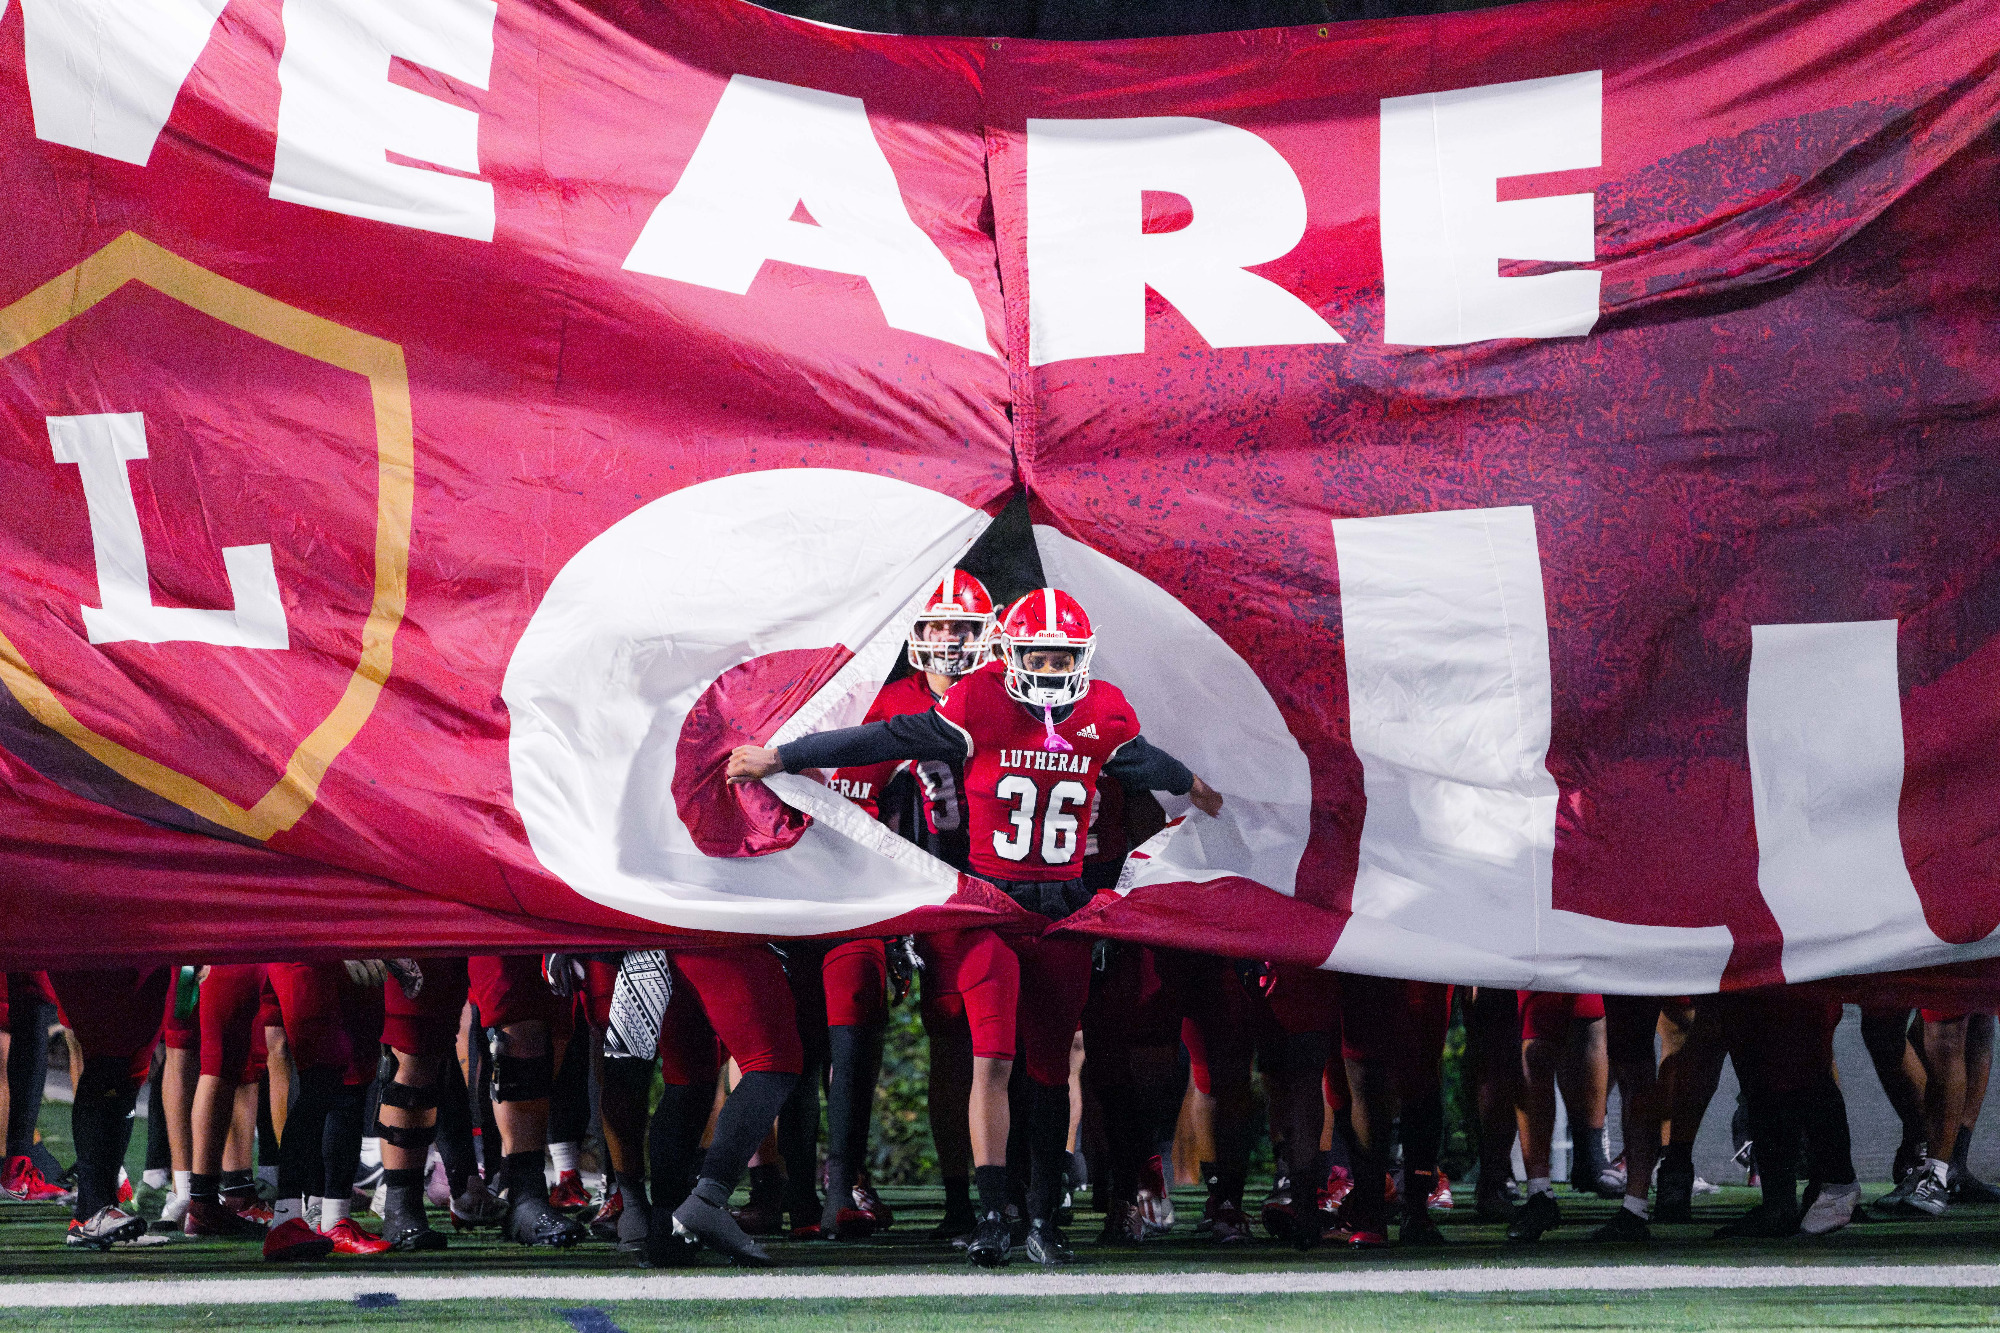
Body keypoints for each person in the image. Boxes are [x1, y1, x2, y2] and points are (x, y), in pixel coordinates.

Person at [729, 586, 1223, 1268]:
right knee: (991, 1059)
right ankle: (992, 1214)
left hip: (1062, 912)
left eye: (1062, 658)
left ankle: (1042, 1215)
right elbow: (888, 738)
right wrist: (783, 756)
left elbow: (1152, 763)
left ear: (1082, 658)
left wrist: (1203, 788)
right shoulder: (981, 698)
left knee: (1049, 1070)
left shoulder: (1105, 711)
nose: (1048, 670)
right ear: (1009, 654)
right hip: (991, 907)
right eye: (1037, 656)